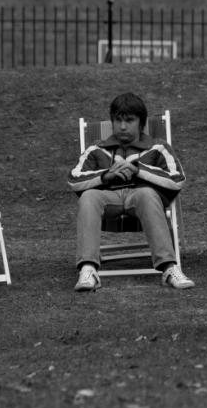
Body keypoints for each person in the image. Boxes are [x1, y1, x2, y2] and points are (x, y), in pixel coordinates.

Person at [67, 92, 194, 291]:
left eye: (129, 120)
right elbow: (74, 179)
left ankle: (169, 267)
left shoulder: (158, 147)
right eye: (118, 120)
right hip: (108, 199)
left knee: (146, 193)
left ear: (141, 123)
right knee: (89, 195)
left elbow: (177, 179)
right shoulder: (96, 148)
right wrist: (106, 176)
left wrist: (138, 170)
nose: (123, 126)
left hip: (142, 199)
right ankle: (88, 269)